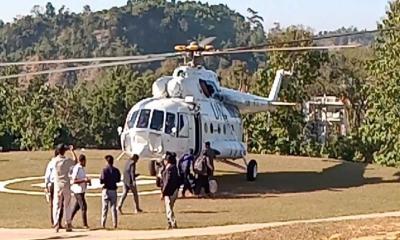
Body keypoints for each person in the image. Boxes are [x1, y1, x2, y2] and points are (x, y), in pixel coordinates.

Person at [52, 144, 77, 232]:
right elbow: (75, 161)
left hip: (58, 185)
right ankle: (68, 223)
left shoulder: (54, 161)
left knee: (57, 205)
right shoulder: (66, 161)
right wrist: (72, 151)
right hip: (66, 184)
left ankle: (56, 224)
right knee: (67, 205)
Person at [100, 155, 121, 229]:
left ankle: (103, 224)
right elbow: (118, 180)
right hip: (113, 190)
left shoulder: (104, 170)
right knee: (113, 208)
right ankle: (115, 224)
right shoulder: (116, 170)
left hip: (106, 190)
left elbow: (101, 181)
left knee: (104, 208)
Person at [44, 149, 64, 228]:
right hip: (55, 183)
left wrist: (46, 185)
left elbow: (47, 175)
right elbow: (48, 175)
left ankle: (57, 221)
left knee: (57, 204)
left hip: (56, 183)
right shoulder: (53, 163)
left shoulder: (52, 163)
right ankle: (56, 221)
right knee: (57, 203)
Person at [70, 154, 91, 228]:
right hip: (77, 190)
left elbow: (82, 177)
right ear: (82, 161)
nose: (86, 163)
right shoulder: (77, 168)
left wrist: (87, 181)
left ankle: (69, 220)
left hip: (81, 190)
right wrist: (83, 180)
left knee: (77, 207)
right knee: (84, 207)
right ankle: (85, 224)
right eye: (85, 161)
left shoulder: (82, 168)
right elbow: (73, 180)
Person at [160, 153, 180, 229]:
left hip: (169, 191)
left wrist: (163, 192)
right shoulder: (174, 168)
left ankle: (172, 222)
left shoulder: (169, 169)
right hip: (174, 190)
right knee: (170, 207)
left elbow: (167, 182)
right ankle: (170, 222)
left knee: (168, 208)